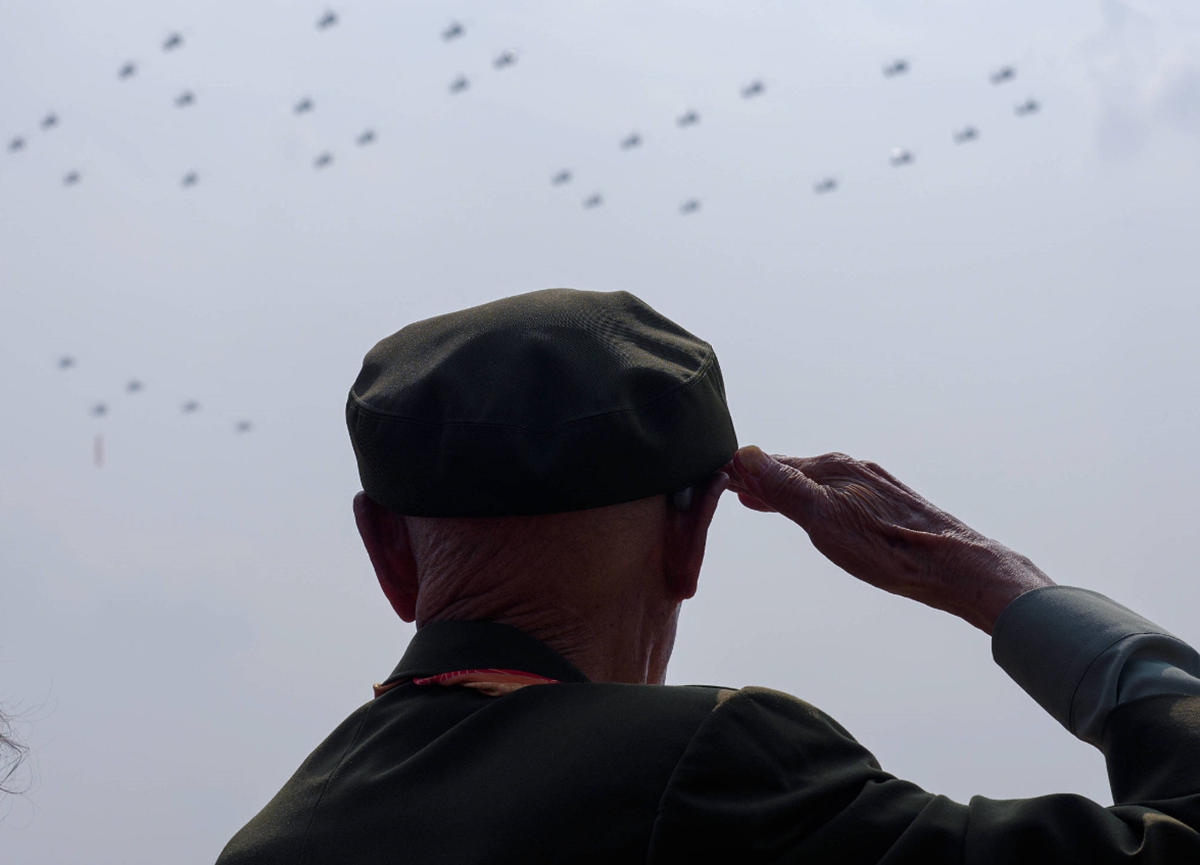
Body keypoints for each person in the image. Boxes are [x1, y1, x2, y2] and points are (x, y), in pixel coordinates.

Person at [217, 289, 1200, 863]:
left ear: (386, 549)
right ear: (689, 540)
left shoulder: (268, 844)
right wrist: (1008, 592)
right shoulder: (709, 772)